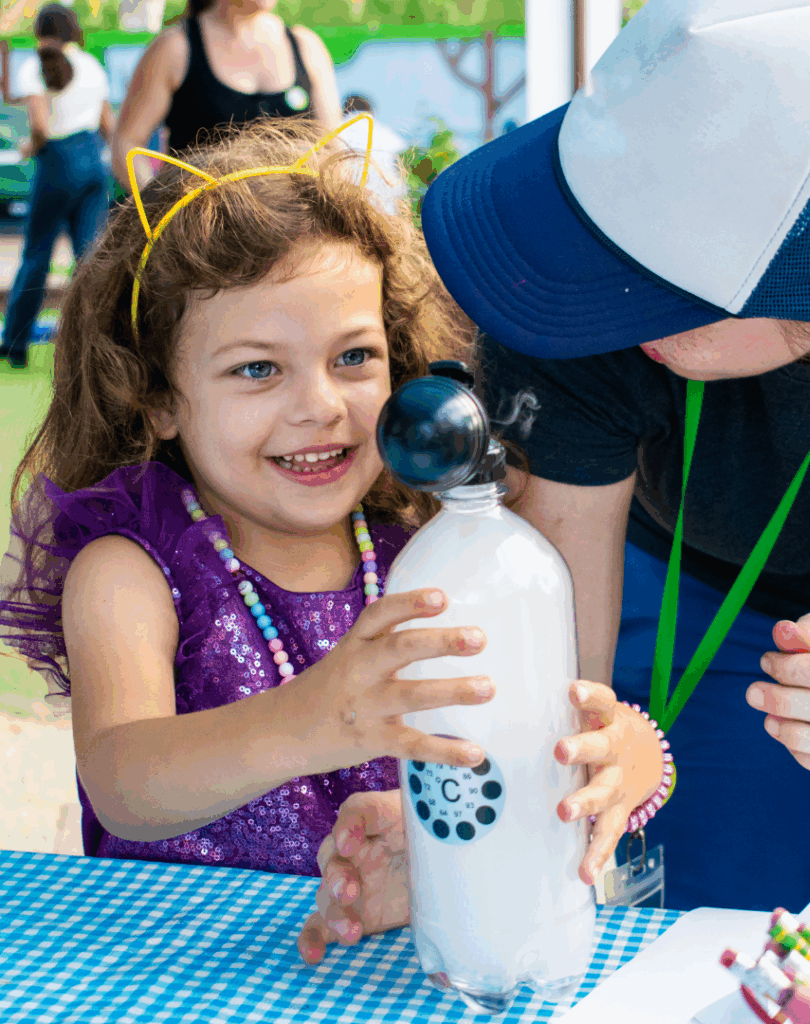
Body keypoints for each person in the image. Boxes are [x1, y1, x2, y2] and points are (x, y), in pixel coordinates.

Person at [304, 0, 810, 940]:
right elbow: (558, 678)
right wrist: (474, 843)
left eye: (661, 273)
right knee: (706, 933)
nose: (597, 291)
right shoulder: (565, 267)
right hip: (695, 588)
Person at [0, 119, 656, 950]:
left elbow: (527, 742)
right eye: (257, 369)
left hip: (394, 960)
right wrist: (308, 719)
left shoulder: (428, 550)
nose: (320, 405)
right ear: (157, 399)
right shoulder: (134, 568)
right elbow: (124, 781)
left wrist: (629, 758)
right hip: (182, 964)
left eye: (353, 357)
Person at [111, 0, 342, 190]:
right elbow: (126, 143)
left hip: (294, 229)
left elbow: (333, 148)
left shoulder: (306, 46)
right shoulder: (176, 48)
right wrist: (162, 209)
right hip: (205, 236)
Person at [0, 4, 113, 370]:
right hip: (93, 161)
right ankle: (98, 347)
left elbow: (41, 129)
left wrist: (27, 148)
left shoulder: (35, 66)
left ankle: (15, 344)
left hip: (57, 163)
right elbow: (107, 123)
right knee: (90, 260)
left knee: (36, 256)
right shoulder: (93, 67)